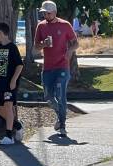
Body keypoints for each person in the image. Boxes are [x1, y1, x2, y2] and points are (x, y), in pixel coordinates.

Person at [34, 0, 77, 138]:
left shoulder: (65, 25)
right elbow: (36, 47)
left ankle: (62, 125)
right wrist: (43, 44)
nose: (45, 15)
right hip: (48, 67)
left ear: (54, 12)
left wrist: (69, 51)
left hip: (62, 66)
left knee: (60, 94)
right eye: (44, 13)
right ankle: (61, 114)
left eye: (47, 13)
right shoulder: (41, 26)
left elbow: (75, 43)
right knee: (48, 96)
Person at [0, 22, 23, 146]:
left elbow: (19, 65)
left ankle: (9, 136)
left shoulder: (12, 47)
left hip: (9, 84)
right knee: (0, 110)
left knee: (8, 106)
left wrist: (13, 80)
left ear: (1, 33)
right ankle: (18, 126)